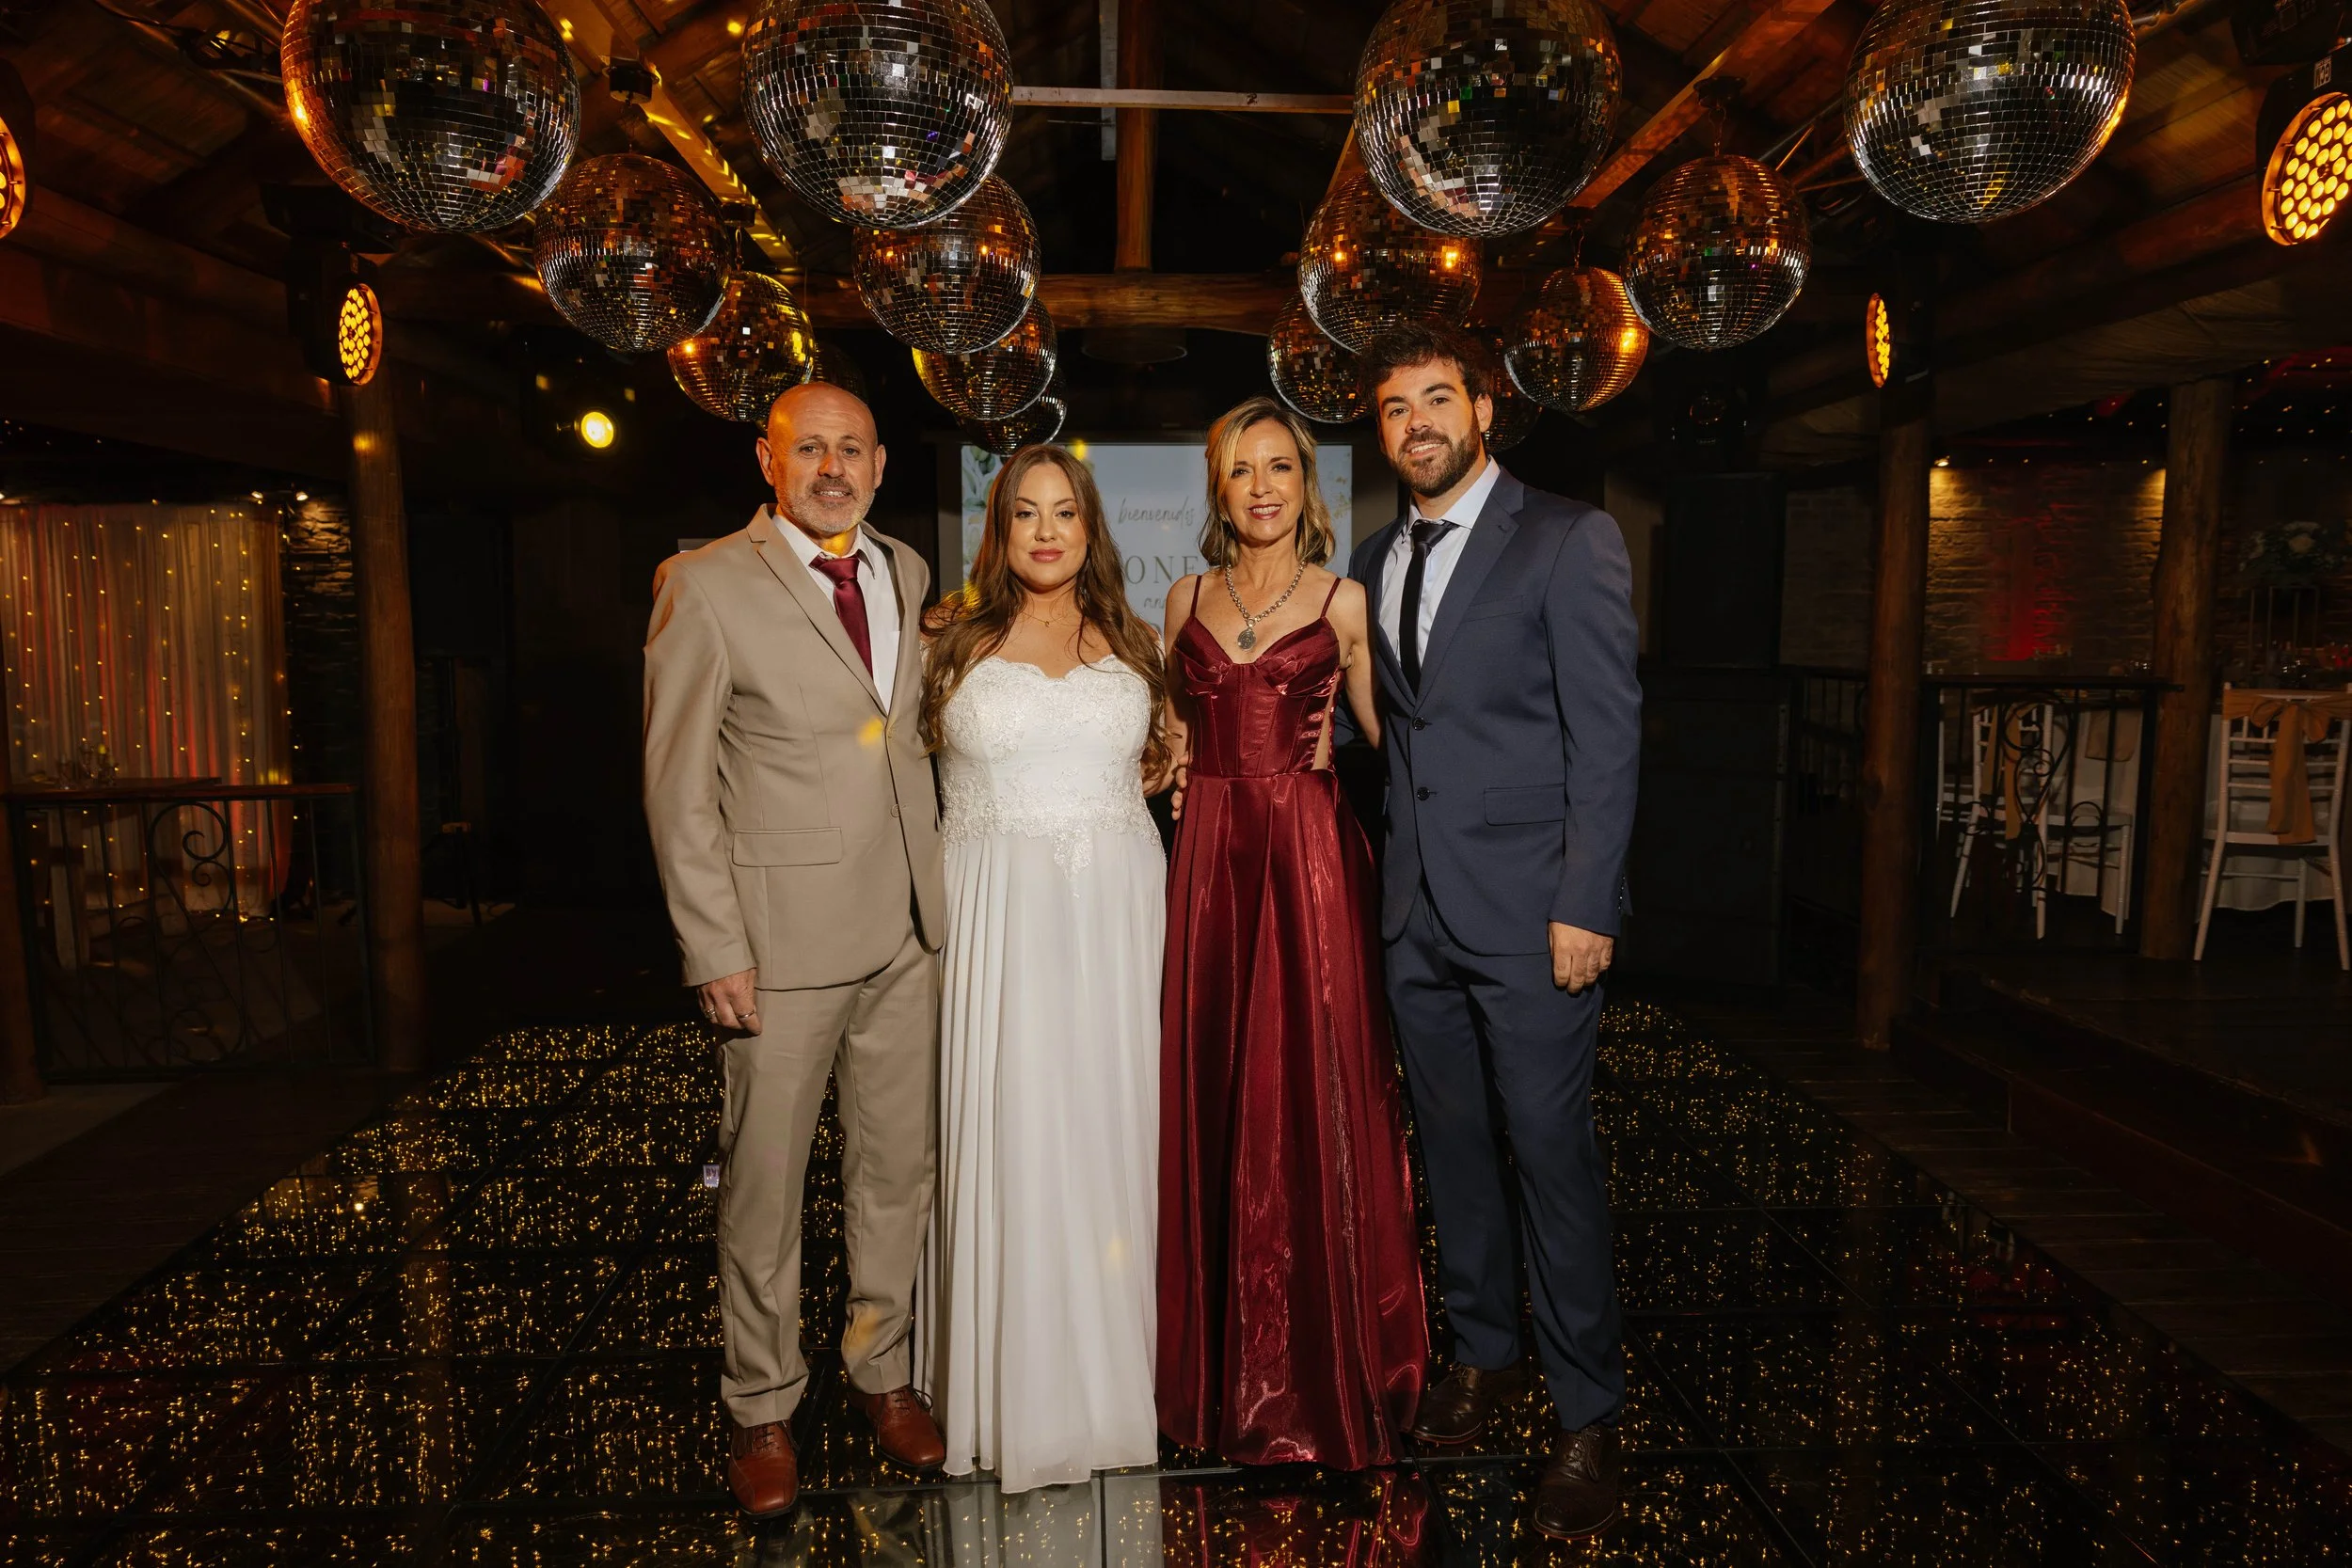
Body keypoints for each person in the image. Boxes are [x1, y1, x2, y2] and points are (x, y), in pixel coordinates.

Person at [1344, 325, 1642, 1539]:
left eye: (1436, 398)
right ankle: (1482, 1354)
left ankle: (1588, 1412)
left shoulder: (1568, 537)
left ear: (1481, 409)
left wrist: (1585, 899)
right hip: (1416, 909)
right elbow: (1384, 729)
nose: (1416, 422)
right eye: (1394, 407)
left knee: (1550, 1156)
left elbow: (1606, 734)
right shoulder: (1373, 557)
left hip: (1533, 917)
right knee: (1455, 1150)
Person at [641, 382, 948, 1518]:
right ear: (767, 463)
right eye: (808, 447)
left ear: (879, 464)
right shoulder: (706, 583)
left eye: (850, 448)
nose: (832, 467)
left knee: (896, 1171)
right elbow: (676, 786)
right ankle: (760, 1400)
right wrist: (712, 943)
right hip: (776, 944)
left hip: (909, 930)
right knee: (763, 1185)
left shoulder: (906, 570)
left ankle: (881, 1368)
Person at [1158, 396, 1427, 1467]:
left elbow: (1390, 737)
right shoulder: (1182, 596)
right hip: (1209, 861)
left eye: (1279, 466)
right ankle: (1216, 1359)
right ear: (1218, 489)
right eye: (1241, 469)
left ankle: (1322, 1358)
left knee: (1310, 1092)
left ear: (1305, 483)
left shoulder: (1343, 598)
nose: (1261, 486)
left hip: (1308, 859)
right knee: (1218, 1085)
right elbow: (1167, 737)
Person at [917, 442, 1171, 1493]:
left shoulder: (1137, 641)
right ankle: (1014, 1387)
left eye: (1064, 510)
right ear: (999, 529)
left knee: (1110, 1127)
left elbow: (1177, 755)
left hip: (1117, 921)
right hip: (999, 925)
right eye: (1025, 512)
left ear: (1091, 525)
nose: (1046, 530)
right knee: (1015, 1125)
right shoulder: (947, 638)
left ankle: (1120, 1381)